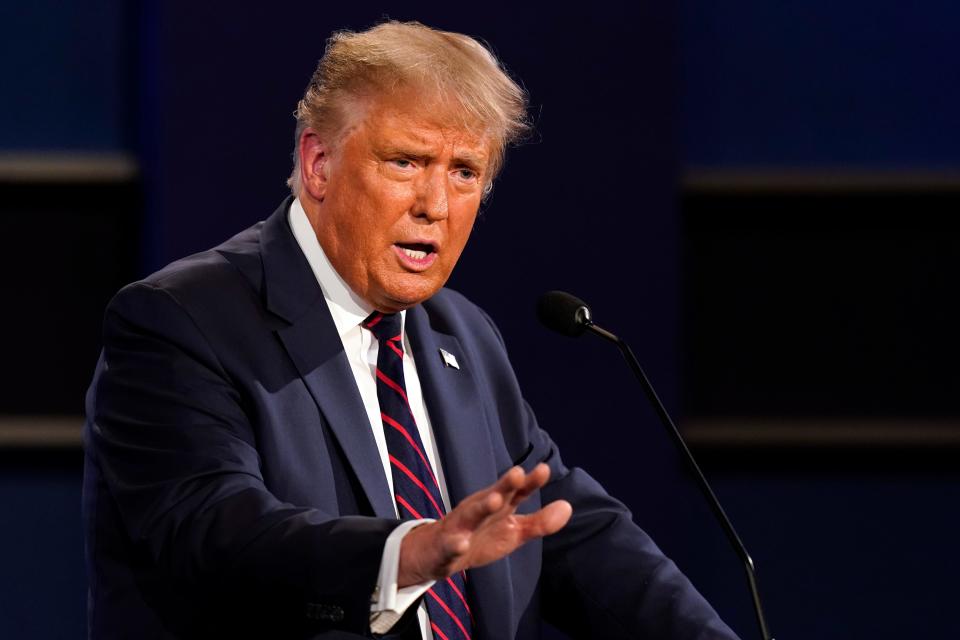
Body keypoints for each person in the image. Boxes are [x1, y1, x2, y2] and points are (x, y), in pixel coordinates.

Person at [83, 20, 738, 640]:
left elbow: (567, 530)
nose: (436, 205)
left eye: (464, 173)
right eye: (406, 162)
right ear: (319, 164)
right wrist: (409, 551)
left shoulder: (461, 334)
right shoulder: (182, 320)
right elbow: (214, 531)